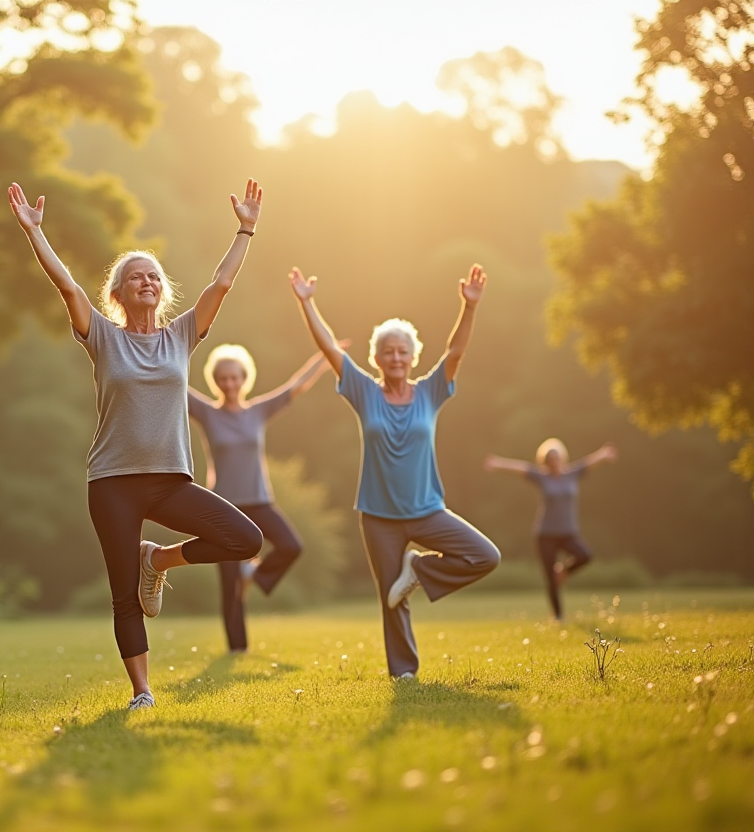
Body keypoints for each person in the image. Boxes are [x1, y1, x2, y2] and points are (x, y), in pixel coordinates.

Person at [8, 178, 266, 710]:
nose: (145, 281)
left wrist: (245, 229)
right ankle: (142, 691)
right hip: (112, 483)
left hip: (170, 482)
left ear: (161, 289)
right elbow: (67, 287)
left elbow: (220, 283)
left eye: (152, 276)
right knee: (123, 593)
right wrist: (35, 233)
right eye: (134, 277)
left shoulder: (181, 336)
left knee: (245, 539)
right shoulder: (103, 337)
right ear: (119, 294)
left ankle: (160, 560)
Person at [290, 263, 500, 680]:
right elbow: (330, 348)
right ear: (377, 358)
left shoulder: (430, 392)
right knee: (391, 595)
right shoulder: (364, 391)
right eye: (388, 351)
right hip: (379, 516)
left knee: (484, 555)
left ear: (413, 356)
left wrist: (470, 307)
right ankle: (404, 671)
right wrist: (307, 303)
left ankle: (419, 570)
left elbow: (455, 353)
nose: (396, 357)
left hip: (427, 509)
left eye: (403, 351)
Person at [187, 344, 332, 653]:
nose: (229, 383)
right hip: (223, 507)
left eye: (234, 377)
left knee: (291, 546)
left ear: (244, 378)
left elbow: (295, 386)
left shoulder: (258, 411)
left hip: (258, 500)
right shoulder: (207, 413)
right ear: (215, 381)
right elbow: (175, 384)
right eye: (223, 378)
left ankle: (254, 573)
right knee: (230, 584)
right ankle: (237, 648)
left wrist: (325, 355)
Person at [484, 440, 618, 620]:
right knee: (550, 578)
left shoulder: (572, 474)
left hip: (568, 532)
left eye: (556, 458)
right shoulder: (542, 477)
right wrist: (498, 463)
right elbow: (521, 468)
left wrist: (603, 454)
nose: (554, 462)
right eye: (550, 459)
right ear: (545, 462)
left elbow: (588, 462)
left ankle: (564, 571)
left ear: (562, 458)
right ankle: (558, 617)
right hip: (545, 534)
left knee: (585, 555)